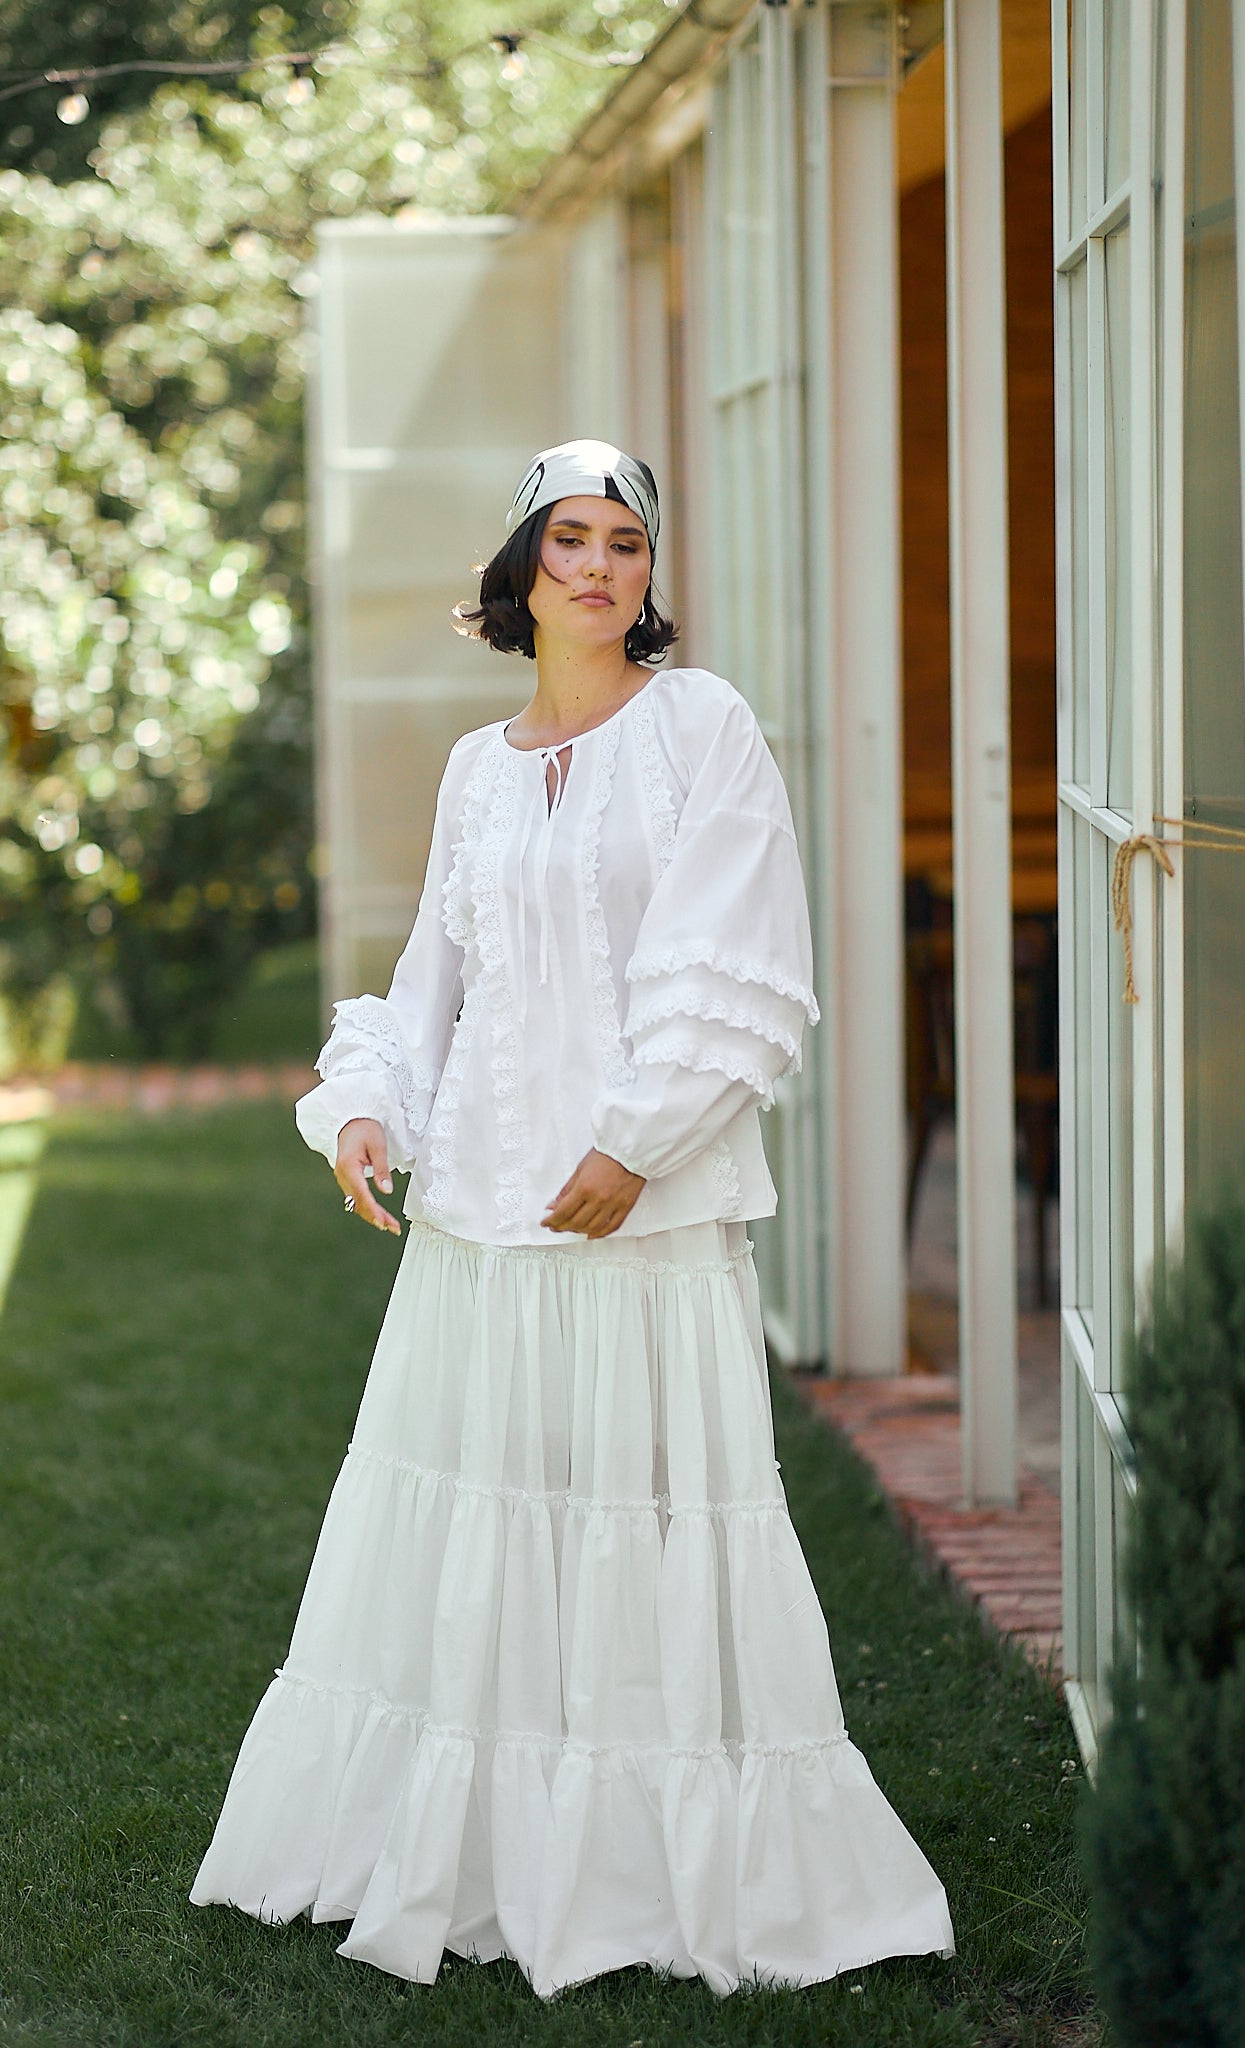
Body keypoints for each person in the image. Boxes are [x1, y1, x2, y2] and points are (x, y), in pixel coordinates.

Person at [190, 438, 954, 1996]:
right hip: (484, 1224)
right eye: (569, 541)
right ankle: (475, 1853)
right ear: (521, 572)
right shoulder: (477, 770)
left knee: (645, 1527)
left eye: (625, 542)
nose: (599, 568)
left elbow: (743, 954)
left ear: (647, 573)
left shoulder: (701, 726)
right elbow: (434, 979)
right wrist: (367, 1103)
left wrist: (637, 1143)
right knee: (488, 1528)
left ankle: (659, 1873)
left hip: (640, 1226)